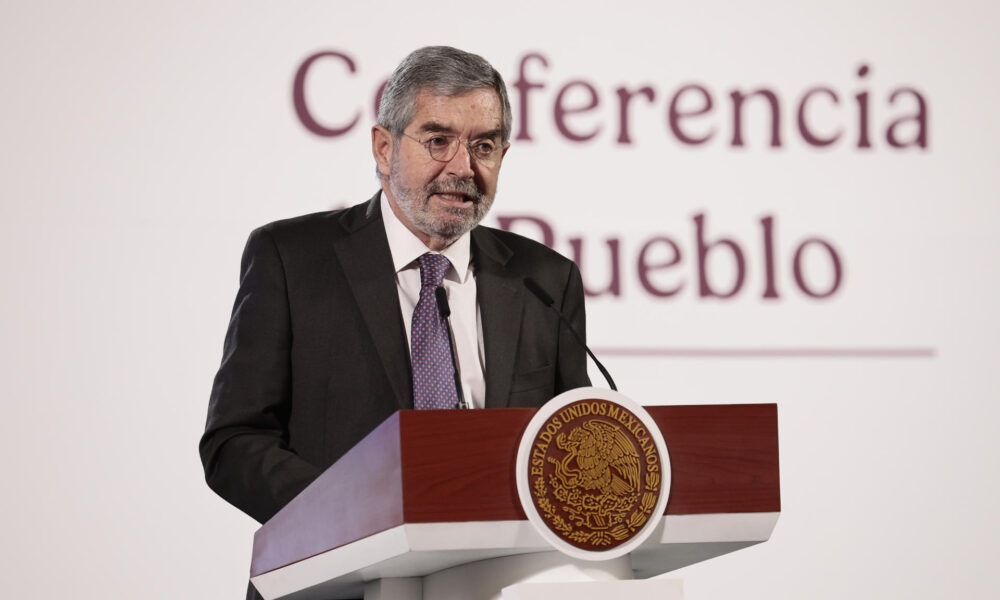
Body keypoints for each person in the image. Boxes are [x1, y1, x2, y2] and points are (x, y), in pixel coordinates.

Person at [199, 46, 590, 599]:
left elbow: (573, 446)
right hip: (334, 583)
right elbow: (234, 442)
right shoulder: (291, 258)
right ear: (384, 148)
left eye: (484, 146)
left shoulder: (545, 280)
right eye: (438, 140)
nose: (462, 167)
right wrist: (354, 516)